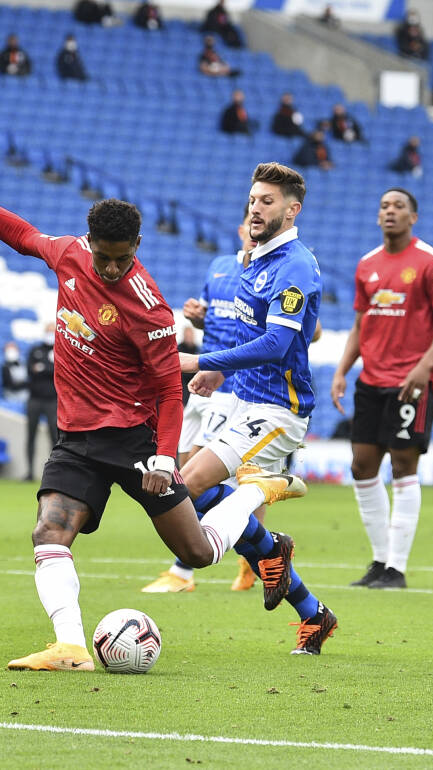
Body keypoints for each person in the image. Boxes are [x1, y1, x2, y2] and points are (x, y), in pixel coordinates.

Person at [0, 156, 317, 670]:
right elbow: (22, 234)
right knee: (49, 532)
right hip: (76, 437)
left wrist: (164, 458)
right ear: (89, 243)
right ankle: (70, 647)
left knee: (201, 552)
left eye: (122, 259)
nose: (112, 268)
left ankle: (259, 489)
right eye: (104, 257)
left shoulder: (149, 308)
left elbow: (167, 388)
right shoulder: (69, 255)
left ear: (136, 248)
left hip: (134, 442)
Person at [168, 161, 338, 654]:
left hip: (279, 412)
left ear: (292, 209)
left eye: (267, 201)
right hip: (243, 400)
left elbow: (276, 344)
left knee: (186, 489)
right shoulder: (254, 258)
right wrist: (222, 372)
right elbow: (248, 331)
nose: (256, 208)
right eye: (253, 200)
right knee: (186, 491)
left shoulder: (295, 266)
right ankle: (311, 609)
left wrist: (202, 358)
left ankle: (271, 534)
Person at [331, 188, 433, 592]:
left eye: (398, 207)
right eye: (384, 206)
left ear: (413, 217)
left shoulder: (431, 262)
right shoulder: (367, 265)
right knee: (362, 465)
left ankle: (396, 569)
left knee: (403, 465)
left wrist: (424, 367)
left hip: (411, 382)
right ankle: (379, 561)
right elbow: (359, 325)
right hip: (371, 380)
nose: (390, 212)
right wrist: (341, 370)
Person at [146, 208, 256, 594]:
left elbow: (306, 331)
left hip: (233, 385)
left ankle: (184, 572)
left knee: (191, 476)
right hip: (203, 383)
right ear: (241, 227)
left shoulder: (268, 273)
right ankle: (256, 554)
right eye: (249, 224)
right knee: (182, 469)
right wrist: (198, 318)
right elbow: (217, 321)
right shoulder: (220, 267)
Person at [23, 322, 56, 482]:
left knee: (55, 438)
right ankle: (29, 472)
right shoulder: (35, 349)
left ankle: (56, 474)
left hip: (53, 400)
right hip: (34, 399)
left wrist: (42, 368)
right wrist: (48, 368)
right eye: (48, 331)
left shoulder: (59, 350)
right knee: (31, 436)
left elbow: (58, 370)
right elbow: (30, 370)